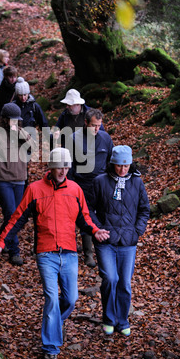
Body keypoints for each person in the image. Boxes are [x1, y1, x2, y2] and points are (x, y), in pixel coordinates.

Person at [0, 147, 110, 359]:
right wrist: (1, 242)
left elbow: (84, 218)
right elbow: (17, 218)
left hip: (70, 253)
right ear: (50, 167)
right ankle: (51, 347)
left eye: (66, 167)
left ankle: (52, 324)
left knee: (71, 299)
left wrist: (95, 231)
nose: (63, 170)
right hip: (46, 253)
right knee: (52, 298)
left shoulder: (75, 190)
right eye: (58, 167)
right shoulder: (35, 189)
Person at [87, 145, 150, 337]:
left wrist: (137, 230)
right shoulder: (100, 181)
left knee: (124, 283)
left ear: (130, 164)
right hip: (106, 240)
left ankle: (122, 320)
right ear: (112, 164)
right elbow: (88, 209)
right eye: (119, 166)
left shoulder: (137, 183)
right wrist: (97, 228)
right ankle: (108, 318)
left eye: (126, 166)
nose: (123, 170)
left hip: (128, 242)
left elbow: (144, 209)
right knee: (110, 278)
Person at [0, 103, 36, 266]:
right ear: (4, 119)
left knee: (16, 216)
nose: (14, 123)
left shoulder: (21, 132)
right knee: (11, 214)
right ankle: (14, 250)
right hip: (2, 180)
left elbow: (33, 148)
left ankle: (1, 241)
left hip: (19, 179)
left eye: (16, 120)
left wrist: (21, 133)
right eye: (11, 120)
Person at [68, 108, 113, 267]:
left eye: (99, 125)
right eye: (93, 125)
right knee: (85, 216)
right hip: (82, 184)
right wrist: (71, 186)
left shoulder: (105, 138)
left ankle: (102, 248)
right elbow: (69, 166)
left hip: (101, 184)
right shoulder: (74, 139)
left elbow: (110, 161)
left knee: (103, 215)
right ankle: (88, 253)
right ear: (85, 123)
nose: (96, 129)